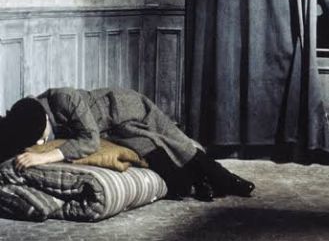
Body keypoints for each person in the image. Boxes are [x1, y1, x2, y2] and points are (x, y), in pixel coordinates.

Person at [1, 88, 255, 202]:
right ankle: (199, 183)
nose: (41, 142)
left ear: (46, 119)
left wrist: (45, 156)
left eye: (42, 136)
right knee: (174, 180)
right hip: (114, 132)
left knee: (178, 144)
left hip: (127, 109)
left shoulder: (63, 98)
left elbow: (89, 140)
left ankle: (228, 180)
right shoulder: (26, 115)